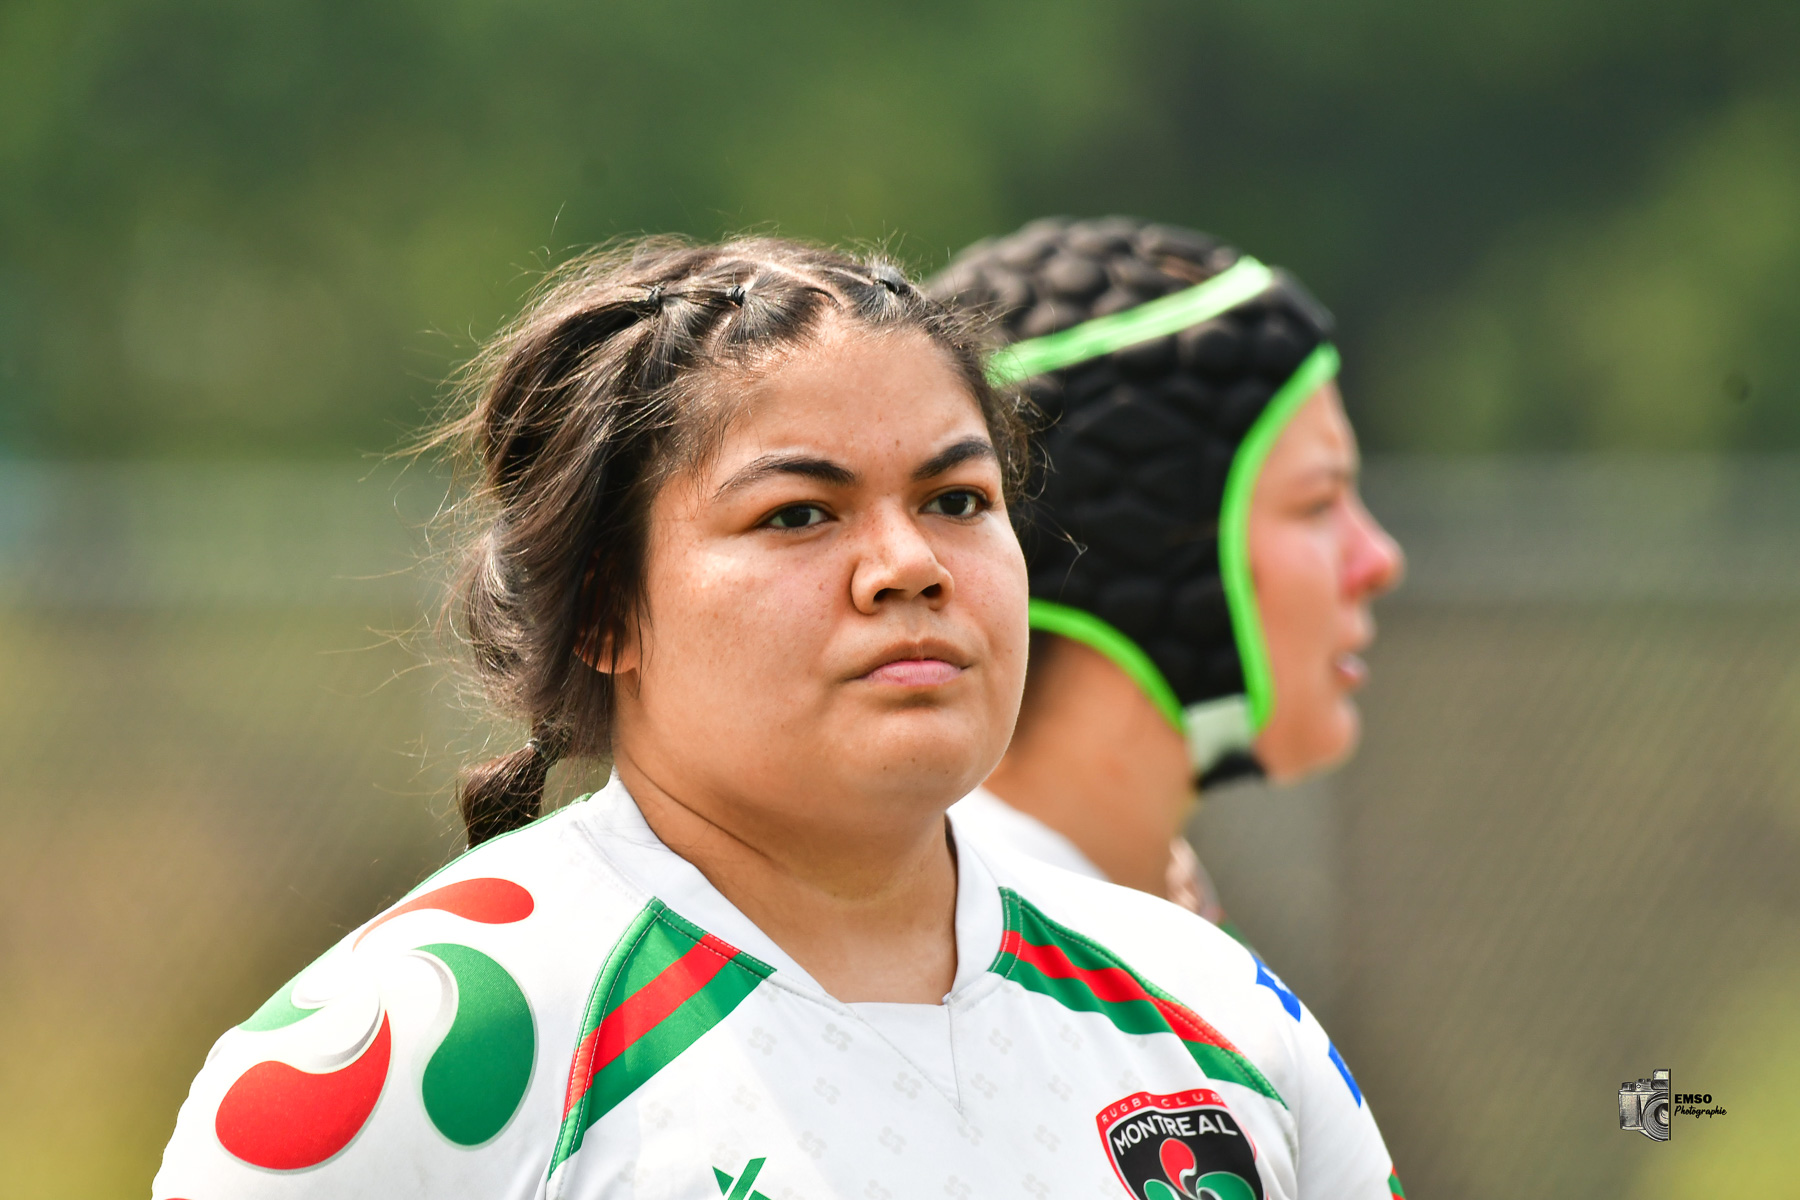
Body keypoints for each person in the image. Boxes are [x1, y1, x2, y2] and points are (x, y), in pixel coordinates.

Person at [154, 236, 1402, 1199]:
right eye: (800, 515)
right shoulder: (406, 1058)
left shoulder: (1218, 1018)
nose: (907, 563)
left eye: (959, 500)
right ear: (605, 611)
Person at [927, 217, 1404, 925]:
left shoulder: (1156, 932)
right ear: (1149, 549)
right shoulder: (953, 972)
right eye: (1316, 503)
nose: (1379, 561)